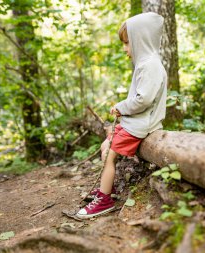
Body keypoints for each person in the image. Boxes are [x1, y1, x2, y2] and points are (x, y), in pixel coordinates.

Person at [77, 12, 167, 219]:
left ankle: (104, 199)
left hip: (141, 124)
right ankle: (109, 187)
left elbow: (144, 99)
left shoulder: (150, 65)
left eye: (127, 43)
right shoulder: (145, 64)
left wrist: (121, 107)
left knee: (110, 154)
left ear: (141, 40)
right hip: (133, 121)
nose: (125, 49)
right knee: (104, 146)